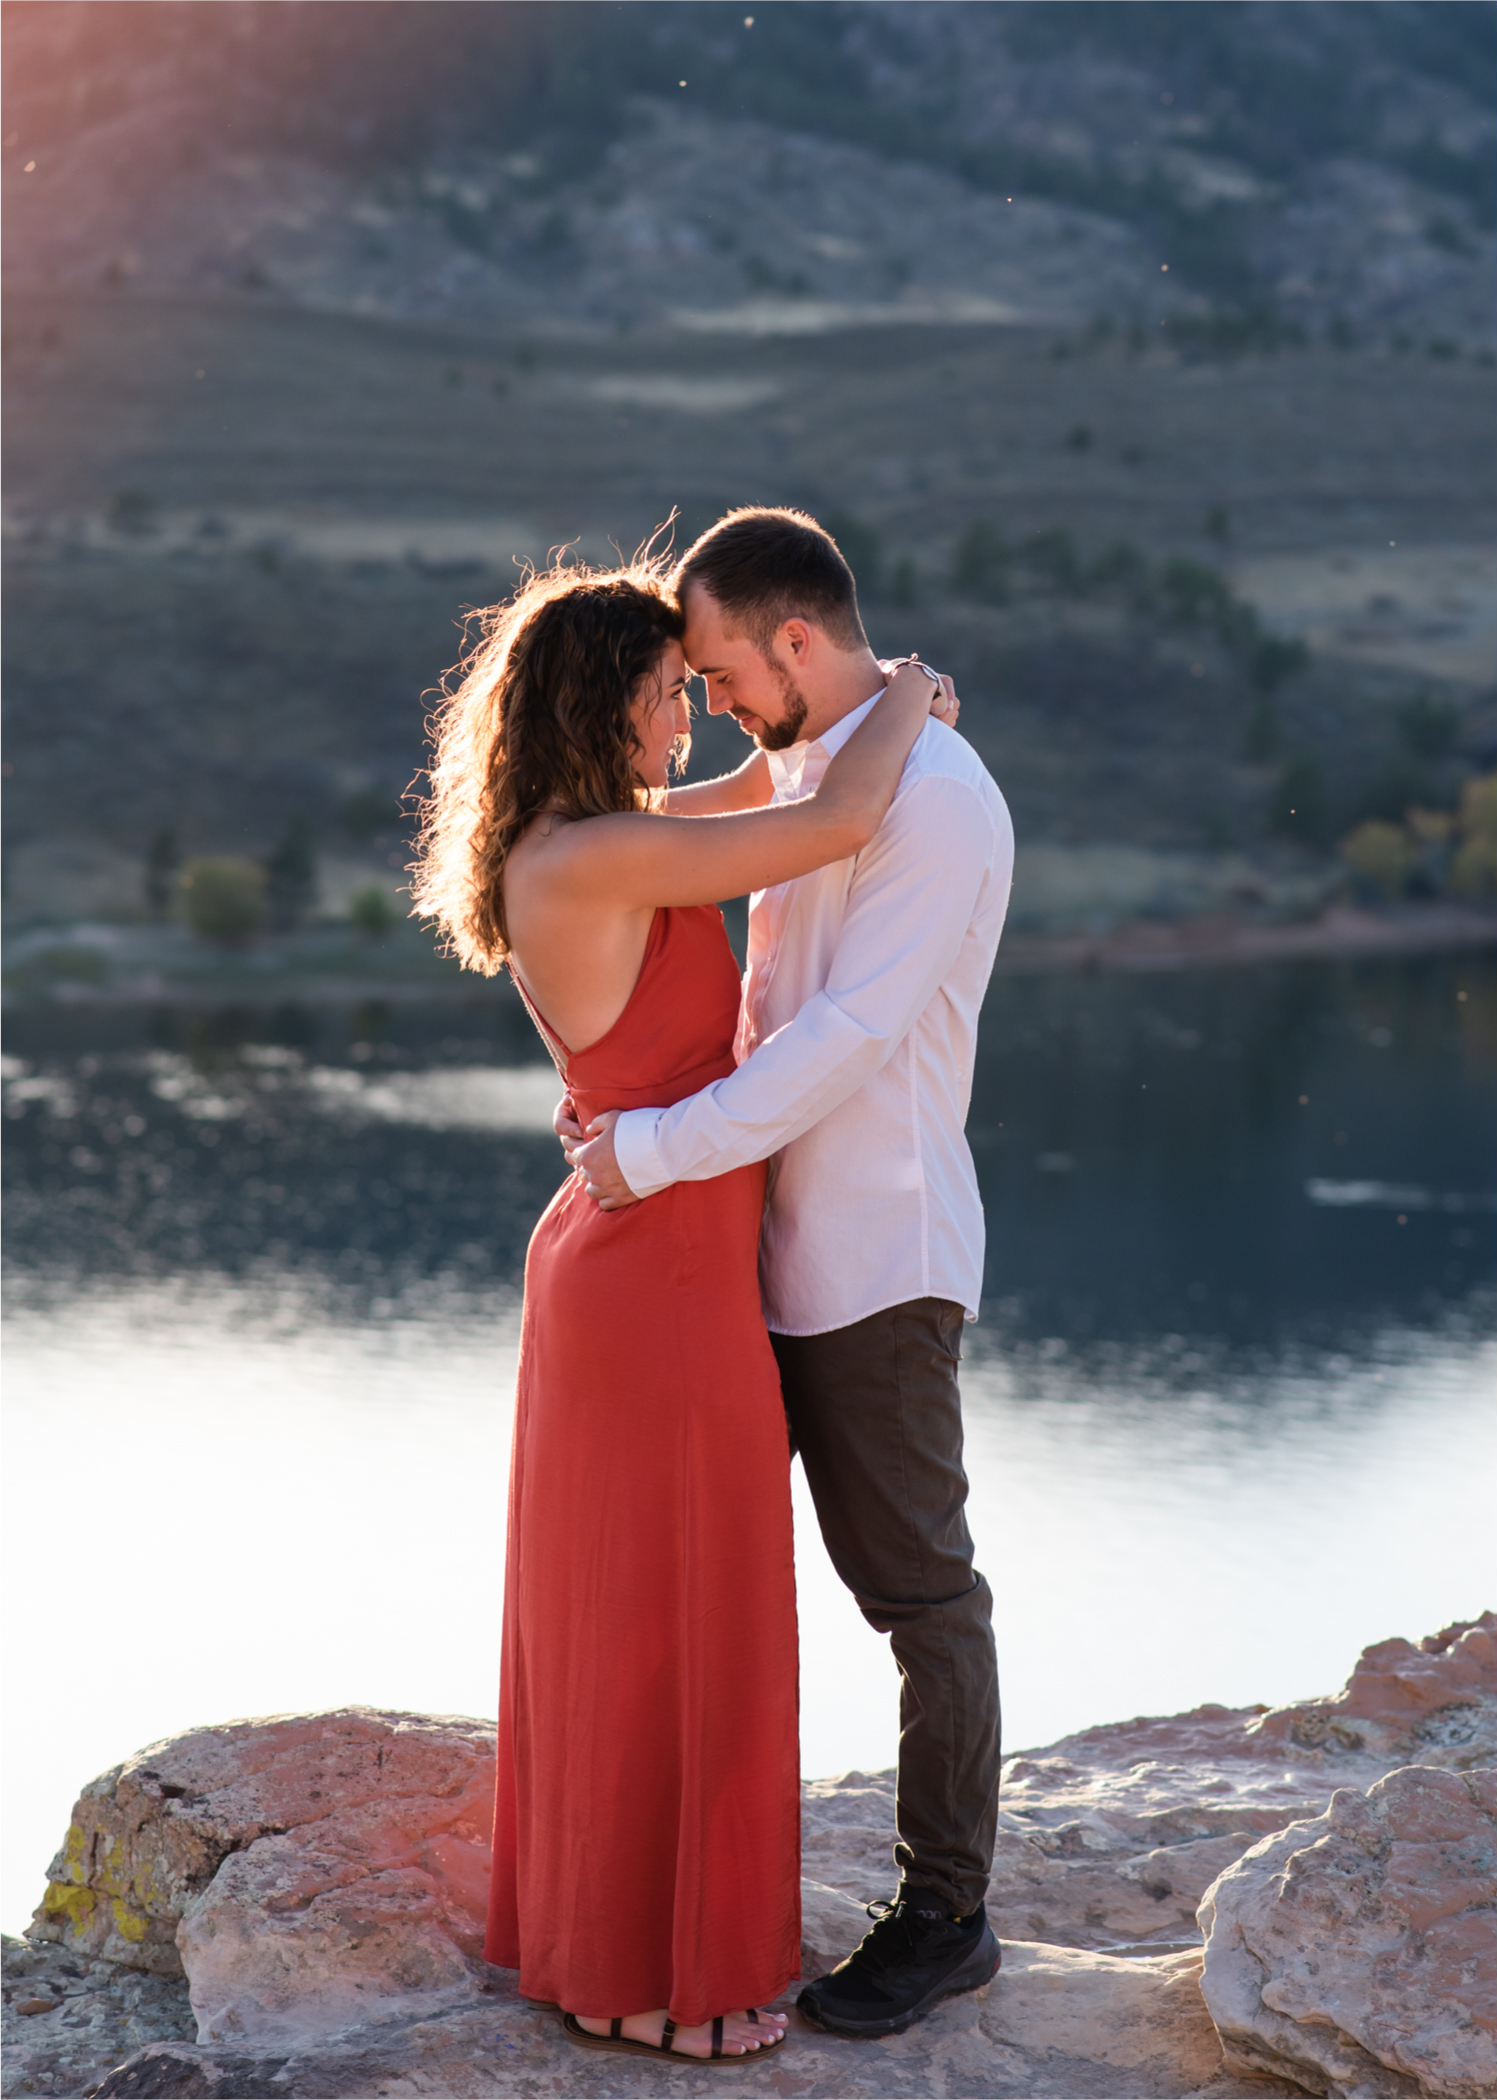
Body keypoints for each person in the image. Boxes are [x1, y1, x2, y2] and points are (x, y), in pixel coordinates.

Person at [410, 554, 951, 2064]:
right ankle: (654, 1974)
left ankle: (608, 1958)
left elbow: (772, 798)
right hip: (650, 1284)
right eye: (666, 698)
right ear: (603, 709)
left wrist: (847, 717)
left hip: (662, 1264)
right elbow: (833, 824)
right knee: (668, 1615)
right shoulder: (589, 862)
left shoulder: (605, 839)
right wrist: (907, 693)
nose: (688, 725)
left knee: (658, 1612)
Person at [565, 506, 1015, 2041]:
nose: (713, 706)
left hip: (877, 1262)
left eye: (721, 674)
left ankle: (948, 1918)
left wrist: (655, 1149)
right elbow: (701, 837)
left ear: (795, 643)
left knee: (922, 1596)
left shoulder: (934, 801)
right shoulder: (827, 765)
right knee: (752, 1598)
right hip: (761, 1256)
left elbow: (841, 1045)